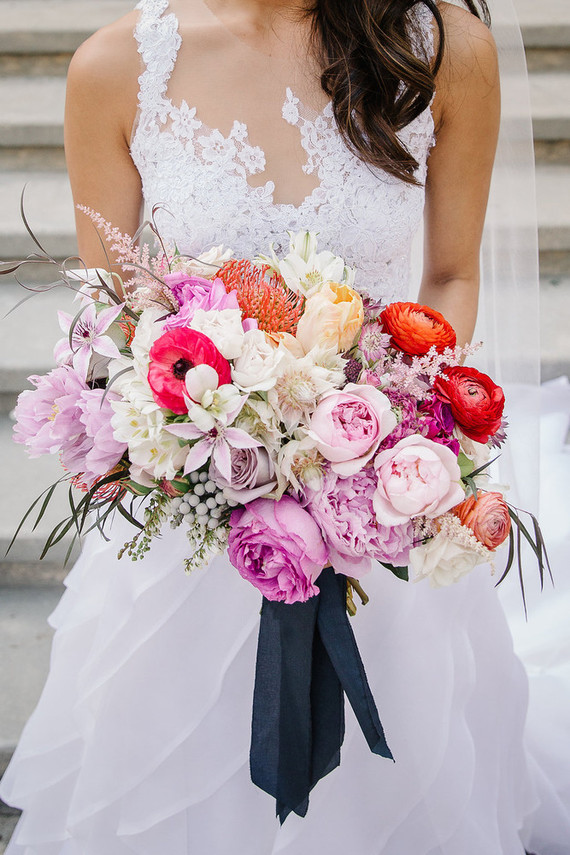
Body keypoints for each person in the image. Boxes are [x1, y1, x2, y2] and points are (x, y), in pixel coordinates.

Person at [1, 0, 569, 853]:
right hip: (194, 506)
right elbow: (117, 324)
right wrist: (214, 441)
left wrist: (390, 424)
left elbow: (450, 273)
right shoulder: (116, 69)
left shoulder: (443, 51)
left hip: (378, 503)